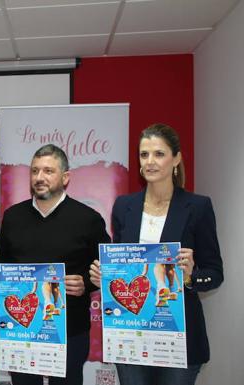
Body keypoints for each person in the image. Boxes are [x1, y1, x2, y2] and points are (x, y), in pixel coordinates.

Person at [89, 123, 223, 385]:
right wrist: (104, 279)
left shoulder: (198, 207)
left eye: (159, 154)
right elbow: (123, 267)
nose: (150, 161)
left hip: (179, 337)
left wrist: (190, 277)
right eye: (144, 154)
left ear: (177, 158)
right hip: (131, 336)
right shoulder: (124, 206)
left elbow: (215, 273)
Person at [0, 144, 110, 385]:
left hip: (70, 329)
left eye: (48, 171)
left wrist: (85, 283)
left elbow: (107, 270)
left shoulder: (88, 219)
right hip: (21, 327)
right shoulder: (13, 216)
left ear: (65, 178)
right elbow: (2, 261)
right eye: (34, 171)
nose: (39, 177)